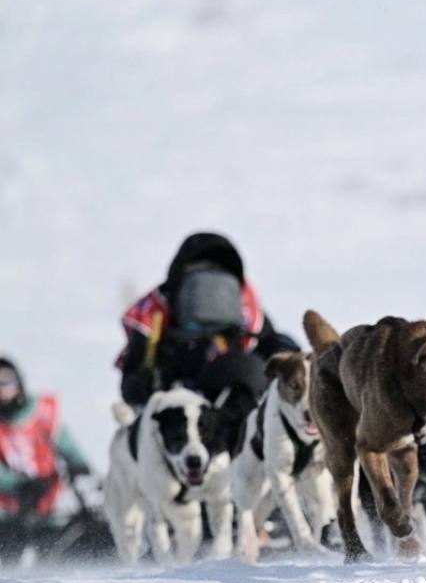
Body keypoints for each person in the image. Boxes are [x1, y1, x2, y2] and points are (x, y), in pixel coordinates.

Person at [116, 232, 299, 411]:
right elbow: (269, 339)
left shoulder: (156, 307)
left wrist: (148, 383)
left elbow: (132, 380)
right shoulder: (246, 305)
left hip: (180, 390)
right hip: (241, 382)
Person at [0, 357, 94, 562]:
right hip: (8, 510)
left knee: (81, 535)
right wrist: (19, 485)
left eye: (7, 381)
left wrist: (80, 469)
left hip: (50, 501)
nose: (3, 389)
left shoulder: (41, 414)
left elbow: (67, 446)